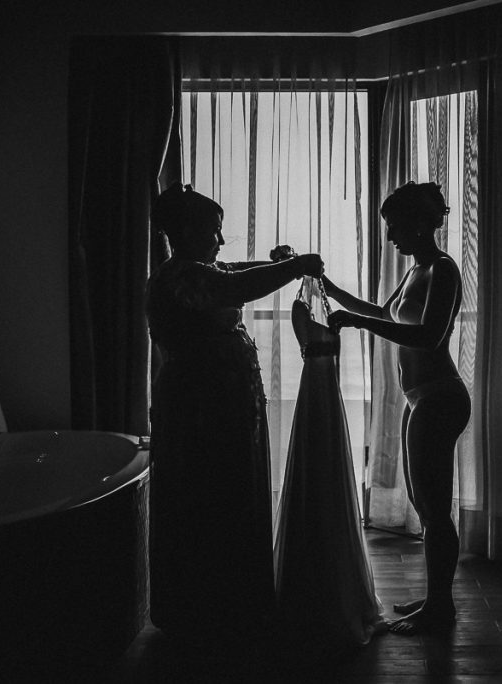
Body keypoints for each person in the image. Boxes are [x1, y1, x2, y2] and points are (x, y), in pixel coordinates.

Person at [145, 184, 323, 646]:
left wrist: (279, 263)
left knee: (232, 494)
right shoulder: (176, 277)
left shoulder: (195, 270)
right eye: (214, 230)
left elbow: (235, 270)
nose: (220, 241)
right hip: (198, 410)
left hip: (221, 402)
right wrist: (293, 267)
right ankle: (207, 612)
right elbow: (234, 285)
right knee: (208, 499)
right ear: (186, 230)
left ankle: (234, 604)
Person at [326, 181, 471, 635]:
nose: (390, 237)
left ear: (420, 224)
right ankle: (437, 599)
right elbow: (381, 313)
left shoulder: (443, 269)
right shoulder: (414, 271)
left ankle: (441, 609)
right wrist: (325, 284)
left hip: (441, 397)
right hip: (419, 399)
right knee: (425, 506)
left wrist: (355, 322)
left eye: (394, 227)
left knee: (433, 508)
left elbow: (428, 336)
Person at [273, 276, 385, 661]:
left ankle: (330, 579)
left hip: (327, 394)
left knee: (329, 475)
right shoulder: (301, 308)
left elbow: (375, 314)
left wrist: (334, 294)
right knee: (315, 474)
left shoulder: (320, 305)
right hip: (316, 393)